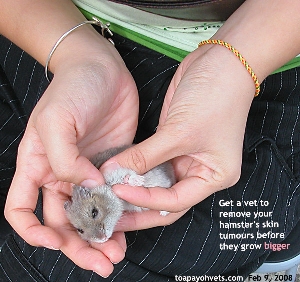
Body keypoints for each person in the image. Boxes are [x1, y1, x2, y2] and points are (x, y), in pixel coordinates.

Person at [0, 0, 300, 280]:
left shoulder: (110, 180)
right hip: (54, 31)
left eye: (91, 216)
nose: (97, 231)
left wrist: (234, 65)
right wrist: (75, 52)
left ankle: (281, 235)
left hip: (258, 48)